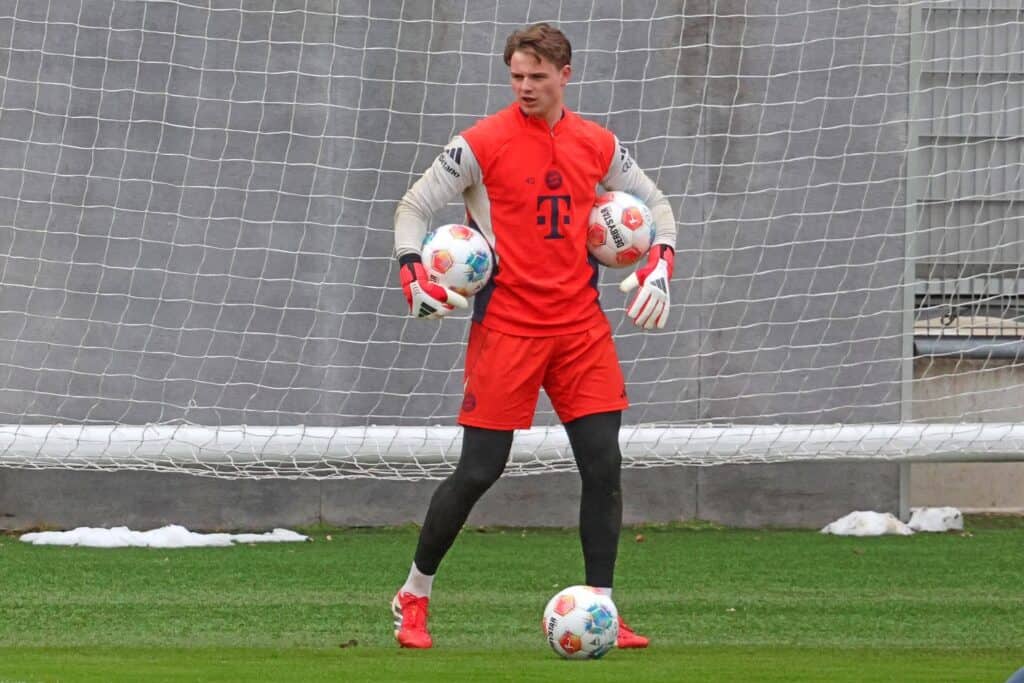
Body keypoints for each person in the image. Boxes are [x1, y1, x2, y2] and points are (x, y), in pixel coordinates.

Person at [391, 22, 677, 650]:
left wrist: (662, 258)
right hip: (508, 330)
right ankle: (414, 594)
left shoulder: (597, 144)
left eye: (537, 77)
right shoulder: (480, 144)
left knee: (604, 464)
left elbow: (655, 204)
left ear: (565, 75)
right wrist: (411, 265)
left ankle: (601, 607)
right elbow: (413, 207)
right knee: (478, 471)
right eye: (516, 76)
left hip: (580, 330)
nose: (524, 87)